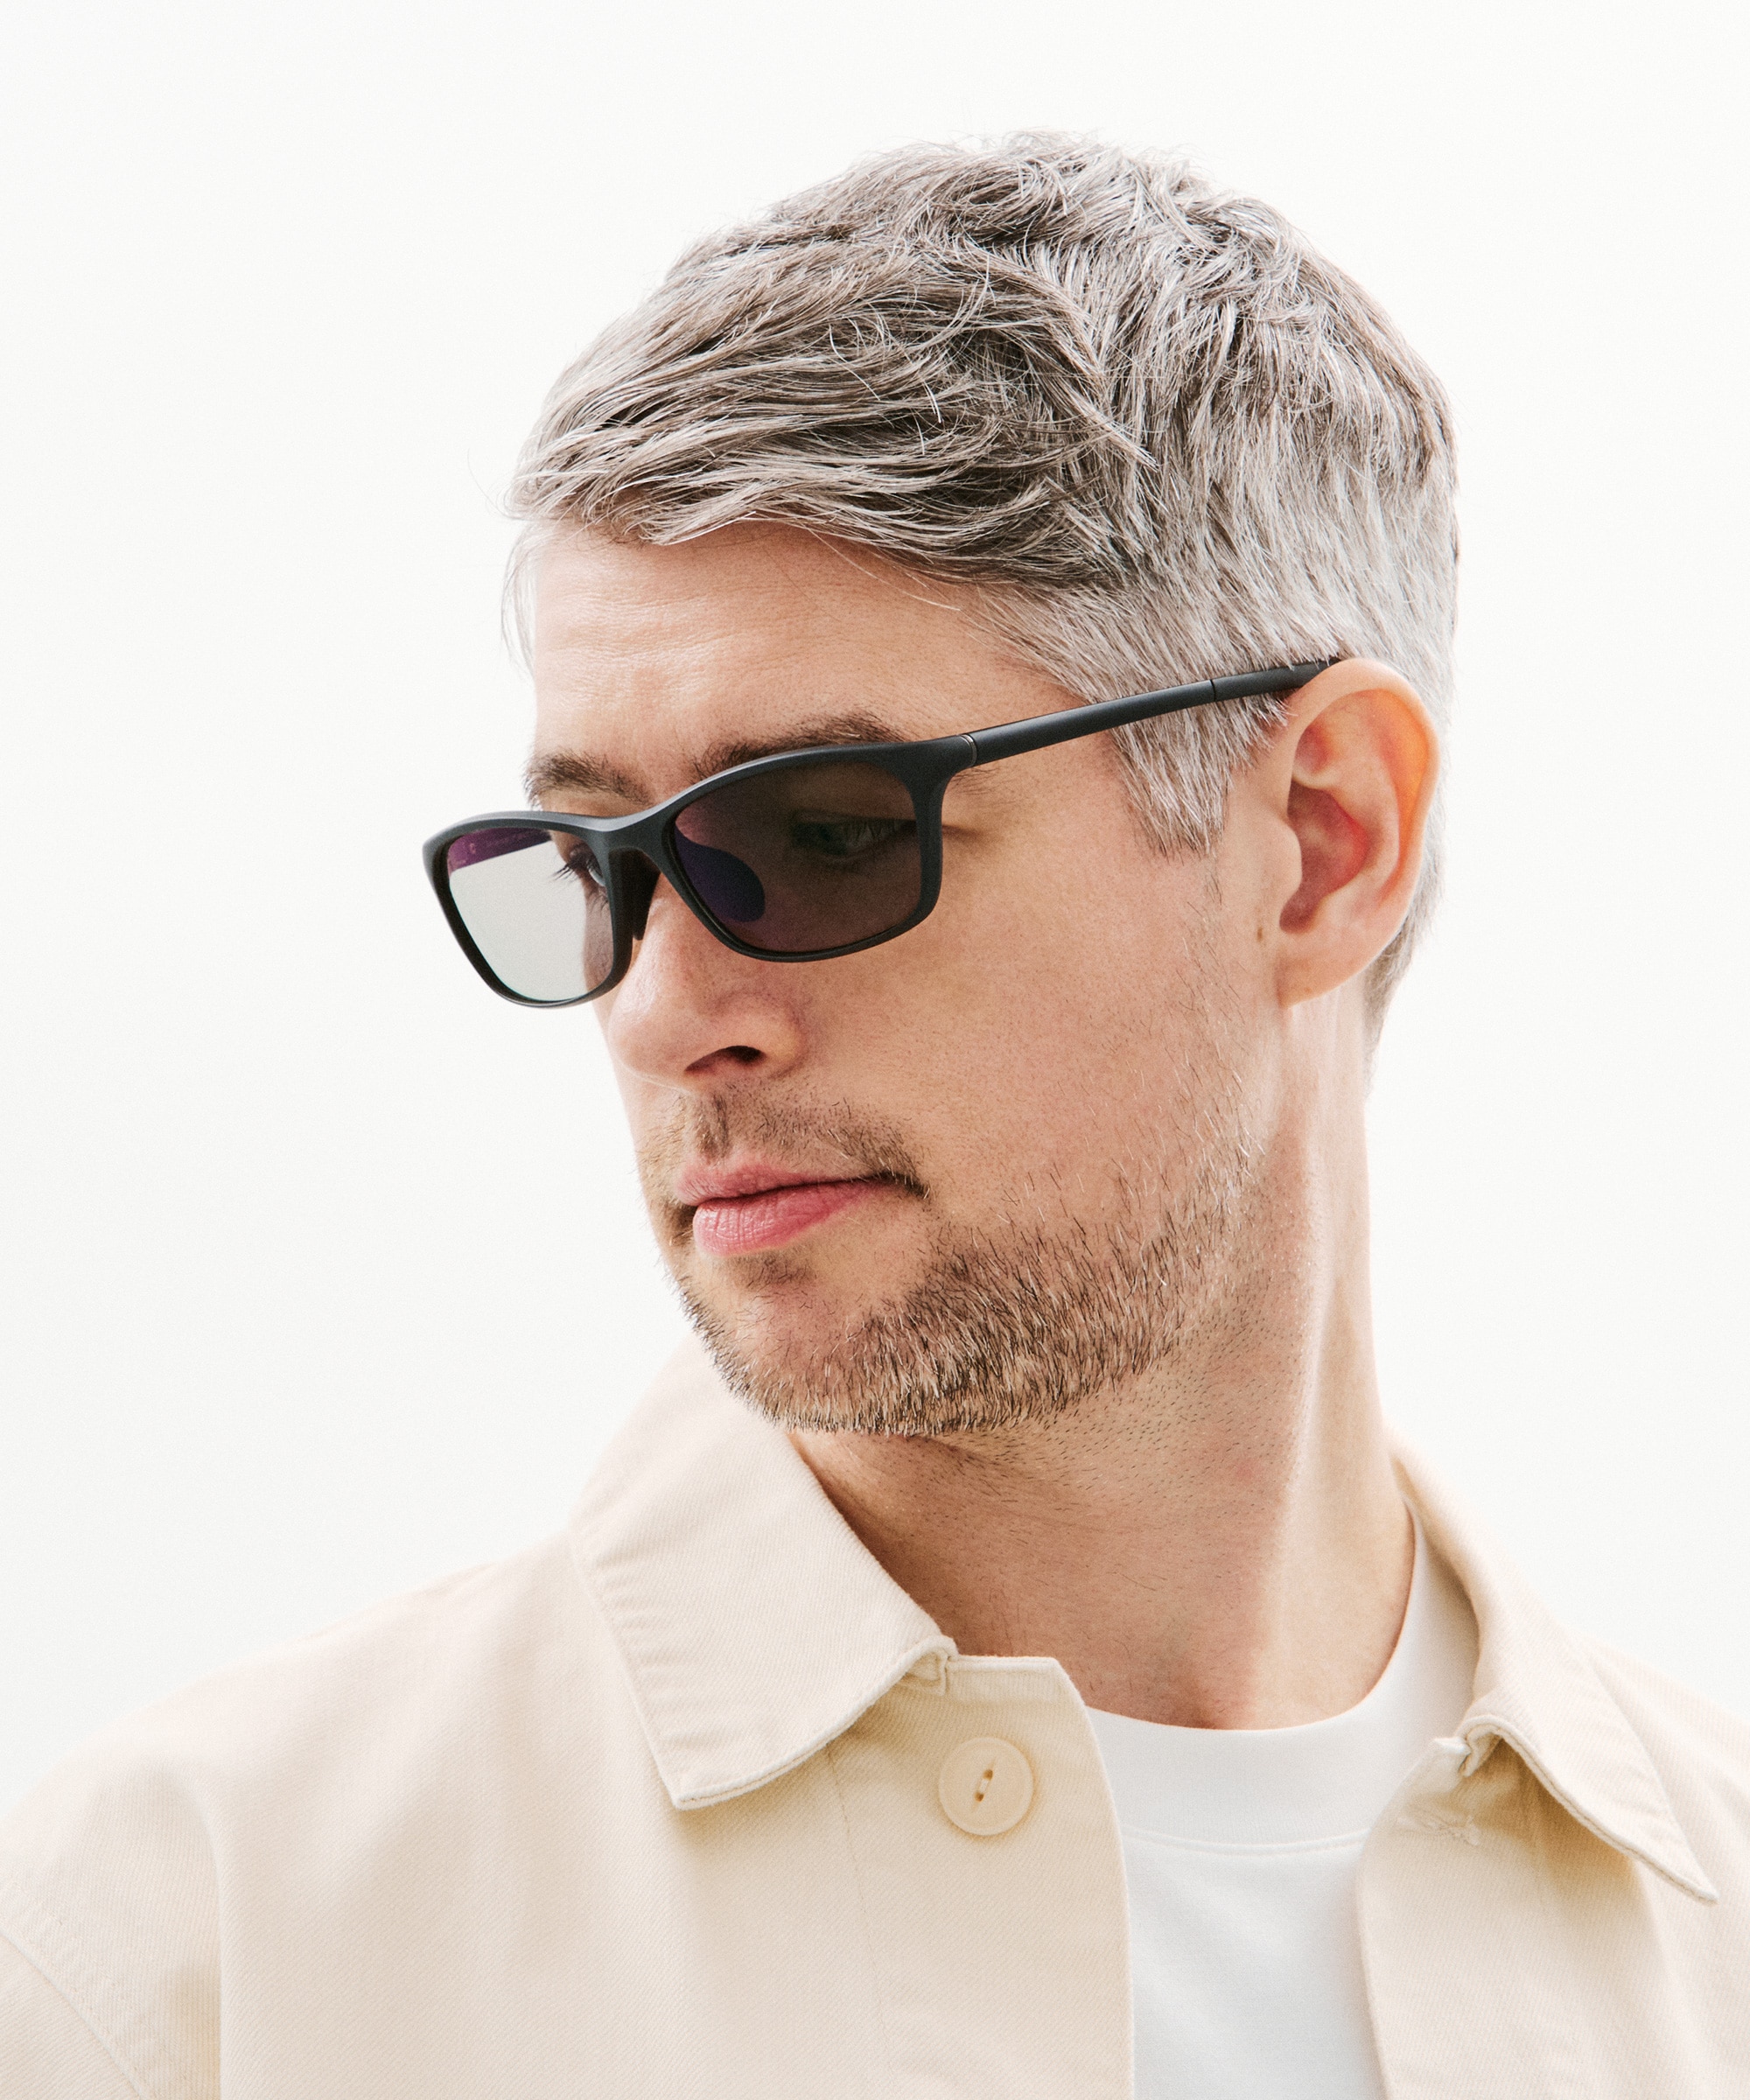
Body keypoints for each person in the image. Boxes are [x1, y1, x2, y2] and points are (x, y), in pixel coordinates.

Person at [3, 136, 1745, 2100]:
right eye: (595, 866)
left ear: (1322, 840)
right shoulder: (197, 1957)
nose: (665, 1013)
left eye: (819, 835)